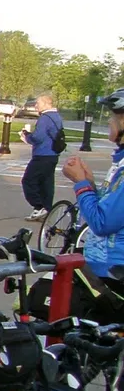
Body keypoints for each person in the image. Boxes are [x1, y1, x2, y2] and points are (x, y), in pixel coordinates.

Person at [62, 88, 124, 315]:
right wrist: (89, 184)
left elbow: (101, 223)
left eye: (114, 116)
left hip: (114, 275)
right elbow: (108, 211)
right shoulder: (120, 164)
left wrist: (81, 184)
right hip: (105, 270)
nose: (109, 121)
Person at [20, 93, 64, 220]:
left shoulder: (45, 118)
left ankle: (38, 206)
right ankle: (47, 209)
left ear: (46, 104)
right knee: (46, 183)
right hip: (53, 155)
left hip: (42, 154)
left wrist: (27, 136)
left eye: (38, 103)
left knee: (28, 180)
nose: (36, 106)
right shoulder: (56, 116)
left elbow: (38, 137)